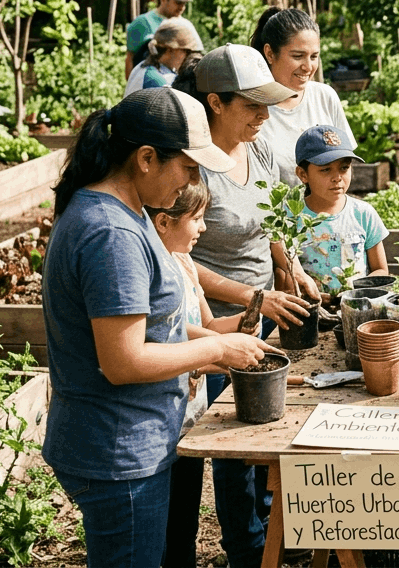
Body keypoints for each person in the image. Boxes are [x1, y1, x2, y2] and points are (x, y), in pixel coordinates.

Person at [41, 88, 276, 568]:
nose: (194, 179)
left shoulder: (125, 212)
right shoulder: (112, 234)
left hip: (132, 442)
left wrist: (217, 343)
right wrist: (220, 351)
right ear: (146, 158)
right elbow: (124, 360)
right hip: (119, 450)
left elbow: (155, 329)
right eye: (189, 168)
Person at [172, 45, 314, 568]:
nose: (263, 115)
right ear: (214, 102)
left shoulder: (259, 152)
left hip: (262, 314)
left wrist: (289, 266)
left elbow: (273, 222)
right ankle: (247, 551)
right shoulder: (191, 168)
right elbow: (180, 257)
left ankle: (273, 533)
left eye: (266, 104)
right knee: (230, 443)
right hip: (205, 325)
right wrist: (251, 297)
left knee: (265, 430)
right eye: (251, 105)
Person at [145, 182, 258, 568]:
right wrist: (223, 353)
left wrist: (241, 324)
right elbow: (175, 337)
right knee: (169, 521)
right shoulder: (154, 274)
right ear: (163, 221)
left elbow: (208, 322)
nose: (204, 228)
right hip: (165, 416)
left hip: (191, 410)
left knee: (186, 517)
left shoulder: (185, 262)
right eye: (196, 218)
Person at [251, 7, 357, 188]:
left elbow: (344, 164)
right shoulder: (252, 108)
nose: (308, 67)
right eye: (298, 56)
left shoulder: (325, 96)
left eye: (314, 56)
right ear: (269, 53)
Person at [293, 125, 390, 295]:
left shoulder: (363, 214)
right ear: (303, 174)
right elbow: (284, 274)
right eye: (325, 169)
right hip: (310, 311)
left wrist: (355, 293)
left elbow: (381, 270)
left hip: (357, 308)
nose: (337, 178)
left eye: (344, 168)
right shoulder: (291, 218)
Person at [125, 17, 203, 97]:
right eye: (186, 51)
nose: (188, 56)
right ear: (171, 49)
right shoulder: (158, 82)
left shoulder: (144, 66)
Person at [127, 0, 191, 76]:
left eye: (184, 3)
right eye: (178, 2)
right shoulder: (142, 23)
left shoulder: (186, 26)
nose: (182, 7)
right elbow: (130, 58)